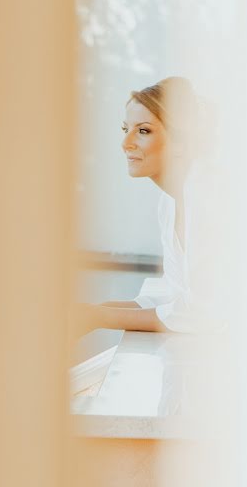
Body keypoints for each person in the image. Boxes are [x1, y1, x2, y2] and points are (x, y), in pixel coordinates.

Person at [74, 76, 214, 334]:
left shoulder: (210, 200)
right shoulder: (169, 203)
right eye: (125, 129)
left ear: (181, 143)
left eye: (143, 130)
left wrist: (97, 316)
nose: (125, 144)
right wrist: (90, 312)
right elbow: (174, 300)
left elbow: (200, 314)